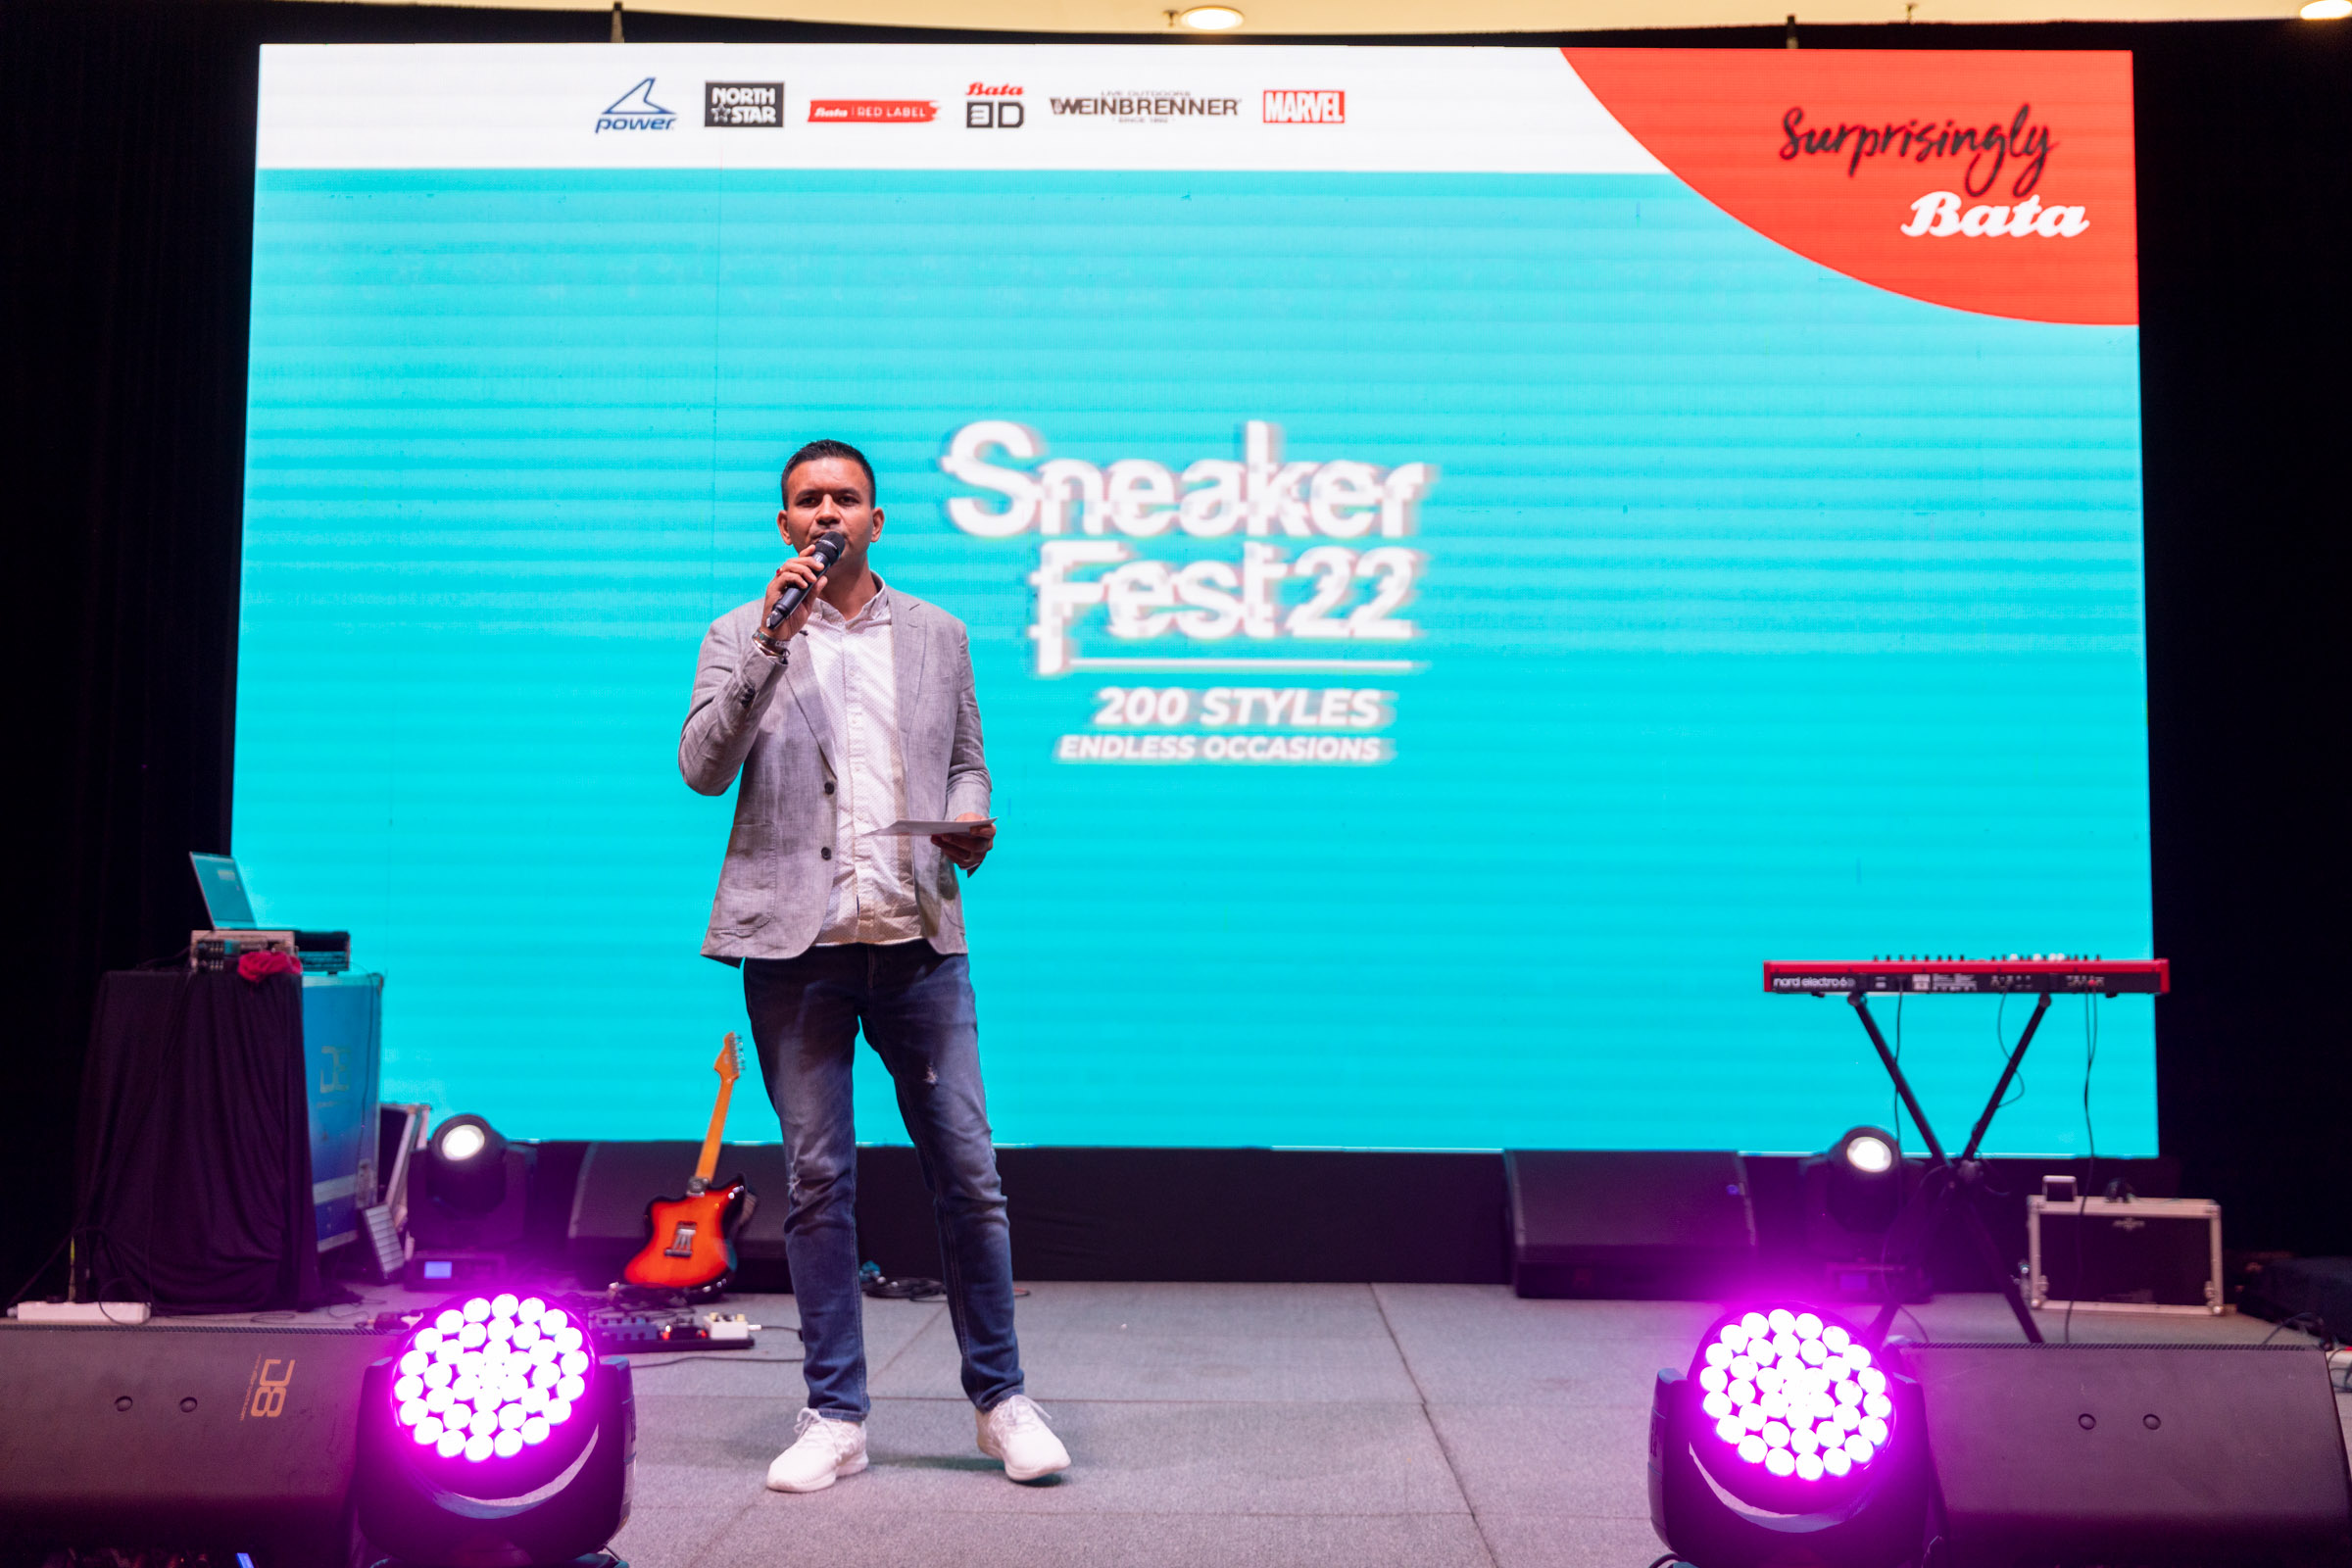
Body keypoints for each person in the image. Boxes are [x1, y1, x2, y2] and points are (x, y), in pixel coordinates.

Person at [678, 438, 1069, 1492]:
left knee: (970, 1175)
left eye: (845, 498)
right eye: (808, 499)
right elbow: (703, 769)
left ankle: (1001, 1400)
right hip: (795, 951)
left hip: (917, 943)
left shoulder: (939, 633)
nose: (827, 513)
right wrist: (773, 639)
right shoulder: (739, 633)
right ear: (784, 524)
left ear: (875, 519)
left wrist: (971, 817)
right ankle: (835, 1414)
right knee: (818, 1183)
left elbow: (968, 763)